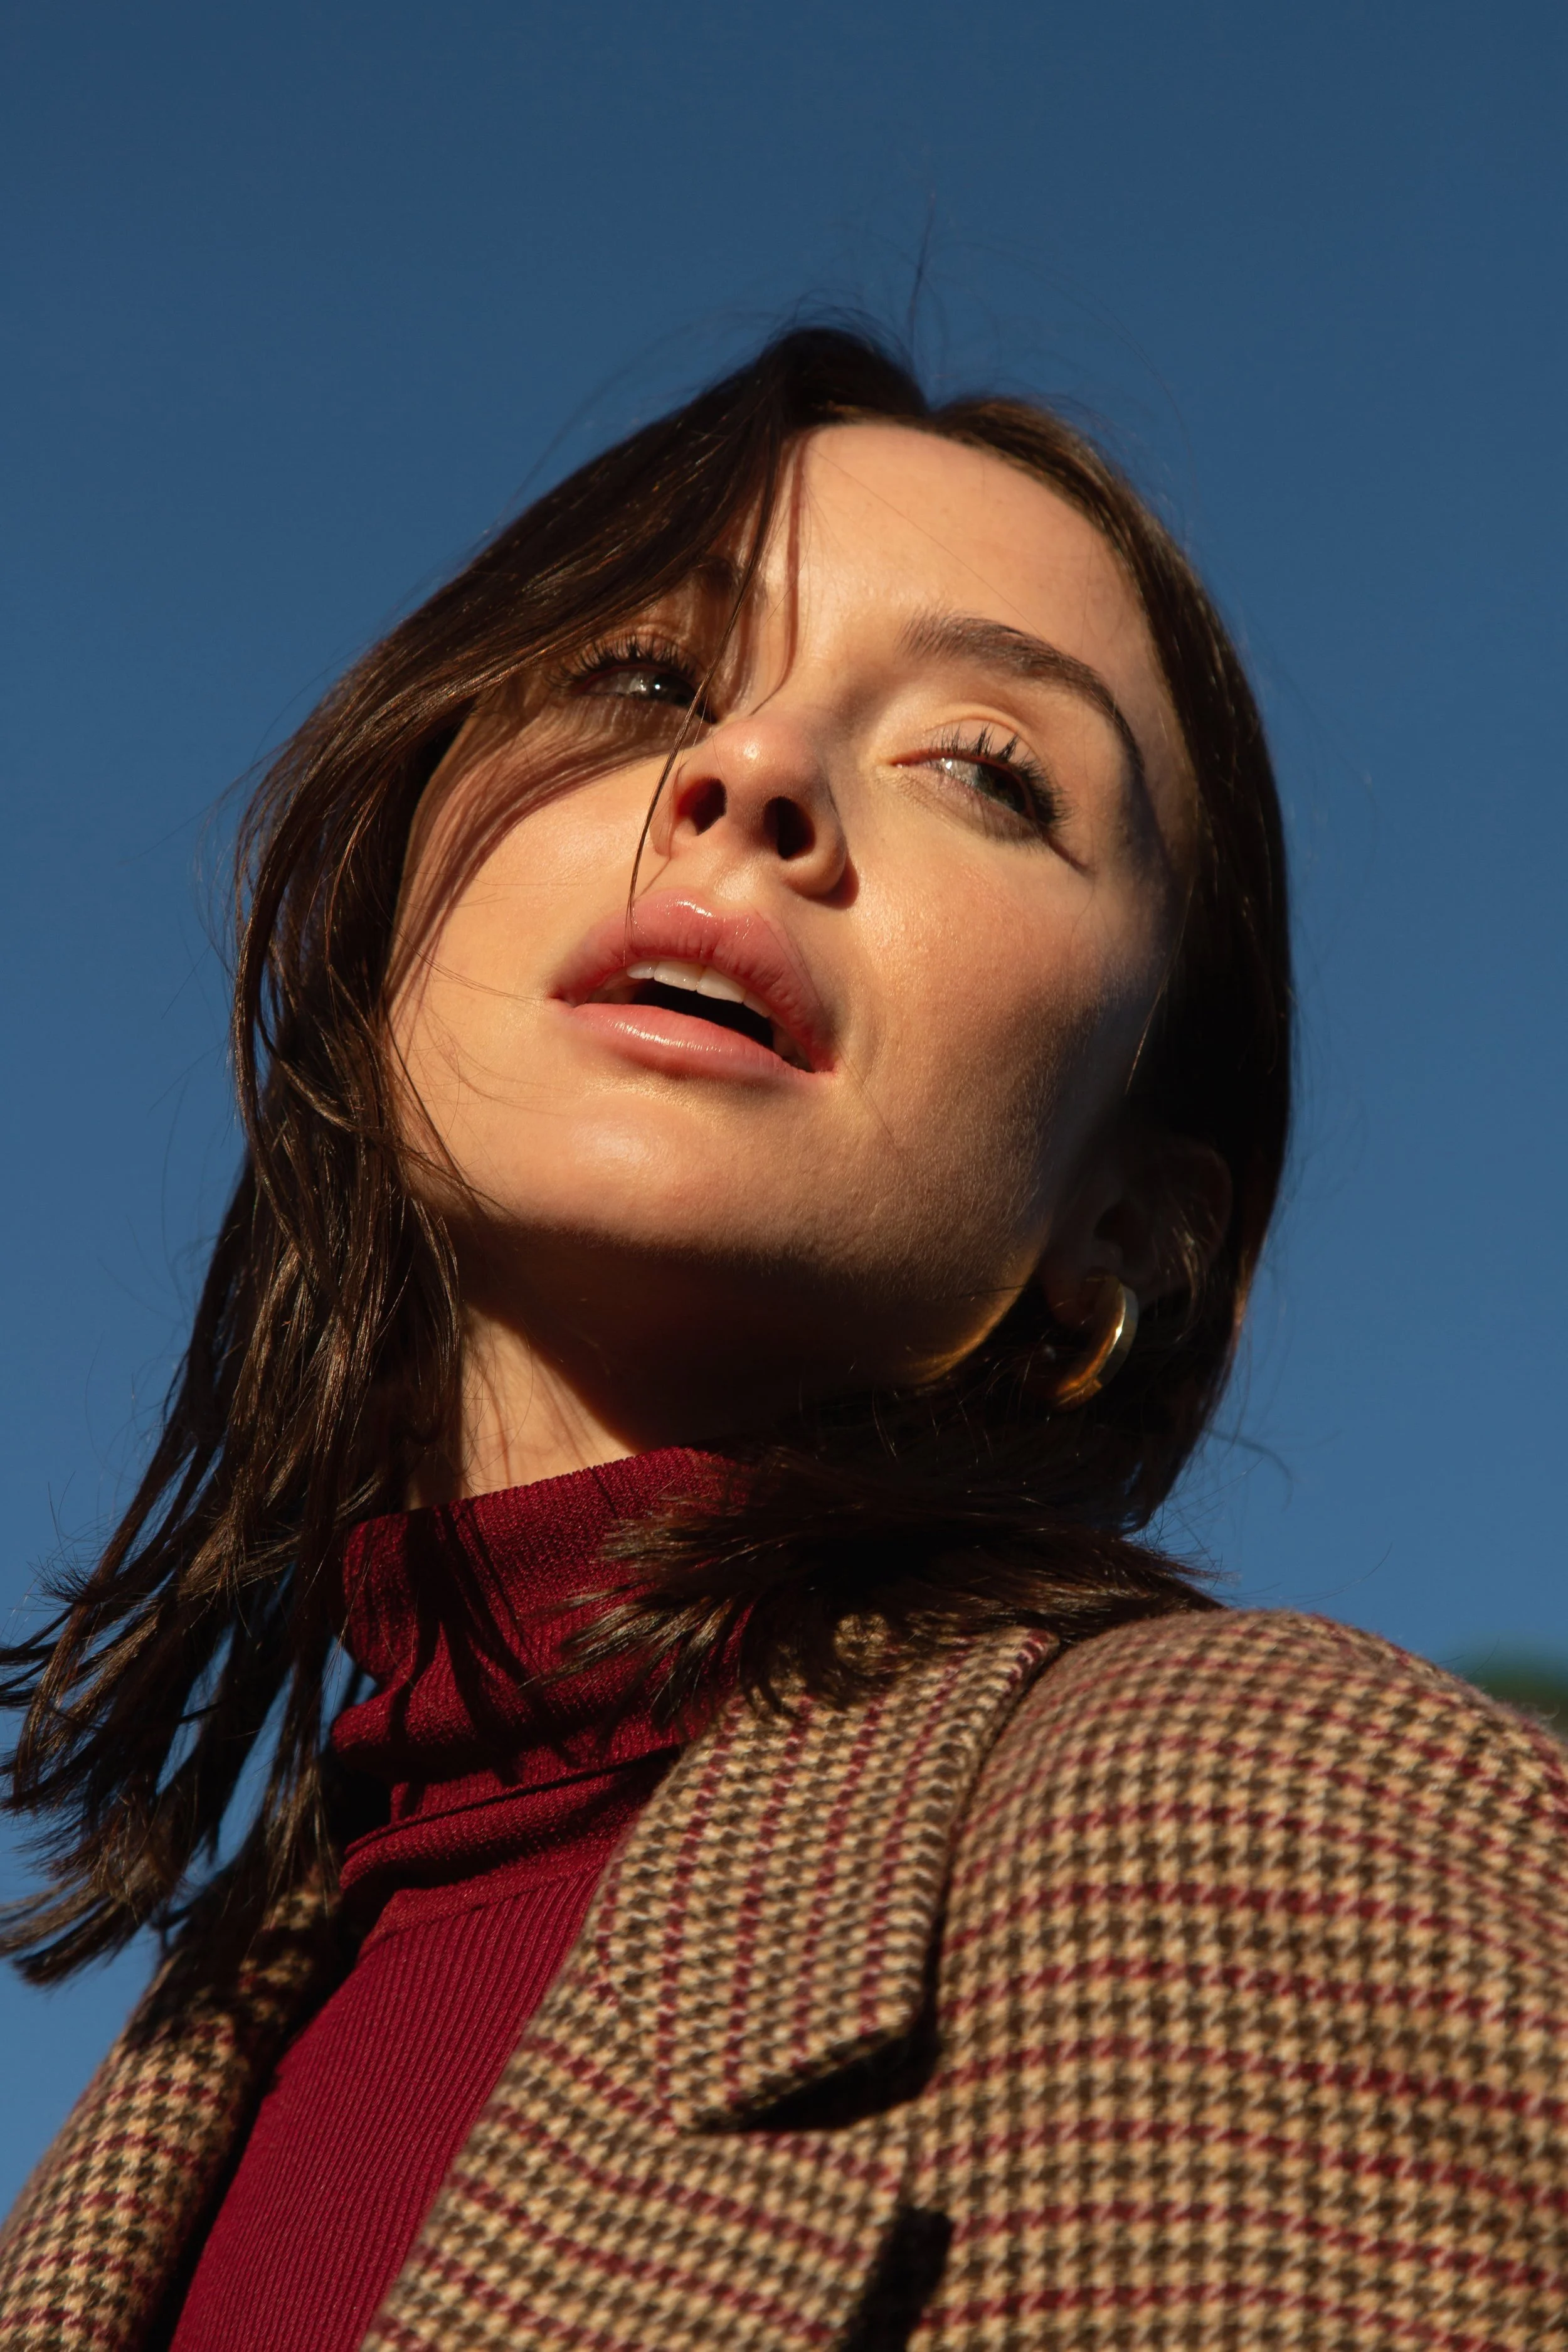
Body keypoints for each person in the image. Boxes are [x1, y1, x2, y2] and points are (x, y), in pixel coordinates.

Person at [1, 326, 1563, 2352]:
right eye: (643, 679)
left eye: (989, 772)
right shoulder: (147, 2117)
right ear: (394, 910)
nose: (747, 778)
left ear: (1130, 1228)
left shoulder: (1289, 1833)